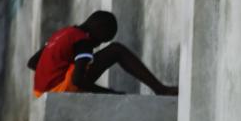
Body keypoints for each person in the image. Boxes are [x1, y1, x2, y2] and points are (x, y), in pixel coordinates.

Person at [28, 11, 178, 97]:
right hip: (59, 91)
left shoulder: (62, 34)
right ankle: (161, 89)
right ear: (99, 29)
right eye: (102, 40)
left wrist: (53, 72)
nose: (98, 45)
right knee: (116, 50)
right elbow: (78, 80)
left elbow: (33, 63)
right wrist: (109, 93)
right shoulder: (83, 41)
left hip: (41, 93)